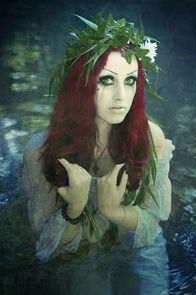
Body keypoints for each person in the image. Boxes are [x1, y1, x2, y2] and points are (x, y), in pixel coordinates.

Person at [22, 12, 175, 295]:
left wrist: (112, 211)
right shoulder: (41, 150)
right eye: (106, 80)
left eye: (130, 81)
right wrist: (74, 211)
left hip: (138, 245)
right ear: (81, 83)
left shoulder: (150, 137)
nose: (121, 96)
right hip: (78, 253)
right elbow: (45, 249)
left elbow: (154, 224)